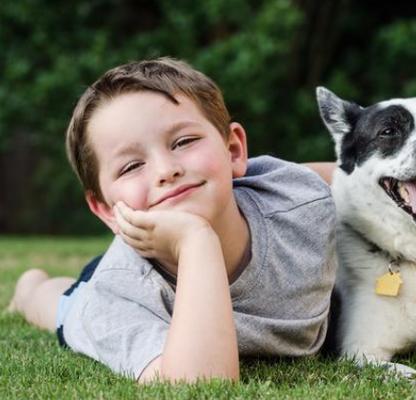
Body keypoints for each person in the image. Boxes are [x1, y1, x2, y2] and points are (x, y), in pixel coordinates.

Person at [8, 57, 337, 383]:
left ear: (234, 151)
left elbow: (357, 180)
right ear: (106, 209)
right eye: (131, 166)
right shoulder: (115, 299)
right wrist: (195, 240)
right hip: (124, 275)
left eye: (184, 142)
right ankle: (29, 289)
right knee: (63, 305)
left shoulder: (296, 198)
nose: (167, 171)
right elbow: (201, 385)